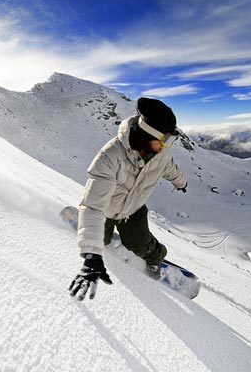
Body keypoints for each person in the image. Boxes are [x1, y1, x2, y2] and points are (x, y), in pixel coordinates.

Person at [68, 97, 188, 301]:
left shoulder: (160, 154)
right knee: (101, 242)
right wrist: (91, 254)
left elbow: (169, 169)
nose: (166, 147)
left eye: (170, 141)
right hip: (105, 210)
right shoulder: (110, 156)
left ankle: (156, 257)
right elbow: (93, 206)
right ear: (146, 135)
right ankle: (94, 232)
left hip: (133, 210)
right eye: (165, 140)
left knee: (141, 246)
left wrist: (181, 182)